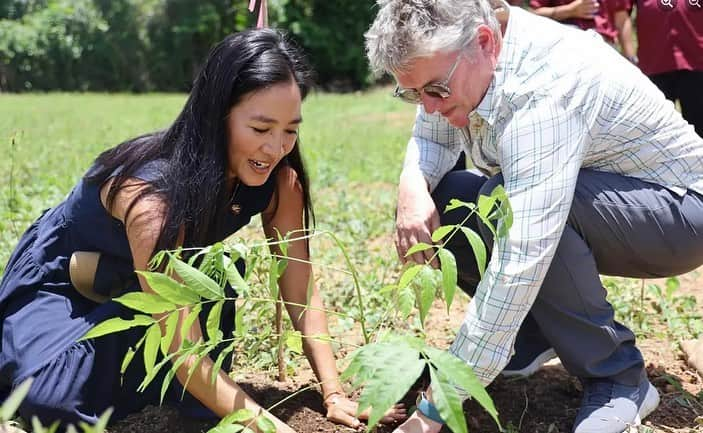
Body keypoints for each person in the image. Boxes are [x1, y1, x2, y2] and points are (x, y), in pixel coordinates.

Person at [0, 29, 405, 432]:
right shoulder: (152, 198)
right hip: (68, 281)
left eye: (290, 129)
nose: (276, 147)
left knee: (189, 390)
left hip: (155, 291)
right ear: (218, 115)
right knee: (50, 401)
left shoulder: (282, 182)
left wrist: (333, 393)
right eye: (261, 129)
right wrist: (270, 427)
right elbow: (186, 353)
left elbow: (299, 290)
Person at [364, 0, 703, 432]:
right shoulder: (457, 58)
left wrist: (437, 408)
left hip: (679, 212)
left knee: (509, 203)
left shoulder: (546, 86)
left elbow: (521, 257)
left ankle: (618, 376)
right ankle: (534, 337)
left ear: (484, 43)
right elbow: (430, 138)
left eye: (434, 91)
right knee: (449, 198)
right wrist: (411, 183)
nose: (428, 106)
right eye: (412, 93)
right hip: (599, 197)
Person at [634, 0, 703, 137]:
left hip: (697, 61)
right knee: (656, 133)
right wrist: (630, 58)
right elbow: (620, 14)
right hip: (653, 64)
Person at [528, 0, 637, 63]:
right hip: (565, 54)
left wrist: (631, 60)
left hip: (606, 52)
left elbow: (621, 21)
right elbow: (533, 15)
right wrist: (570, 10)